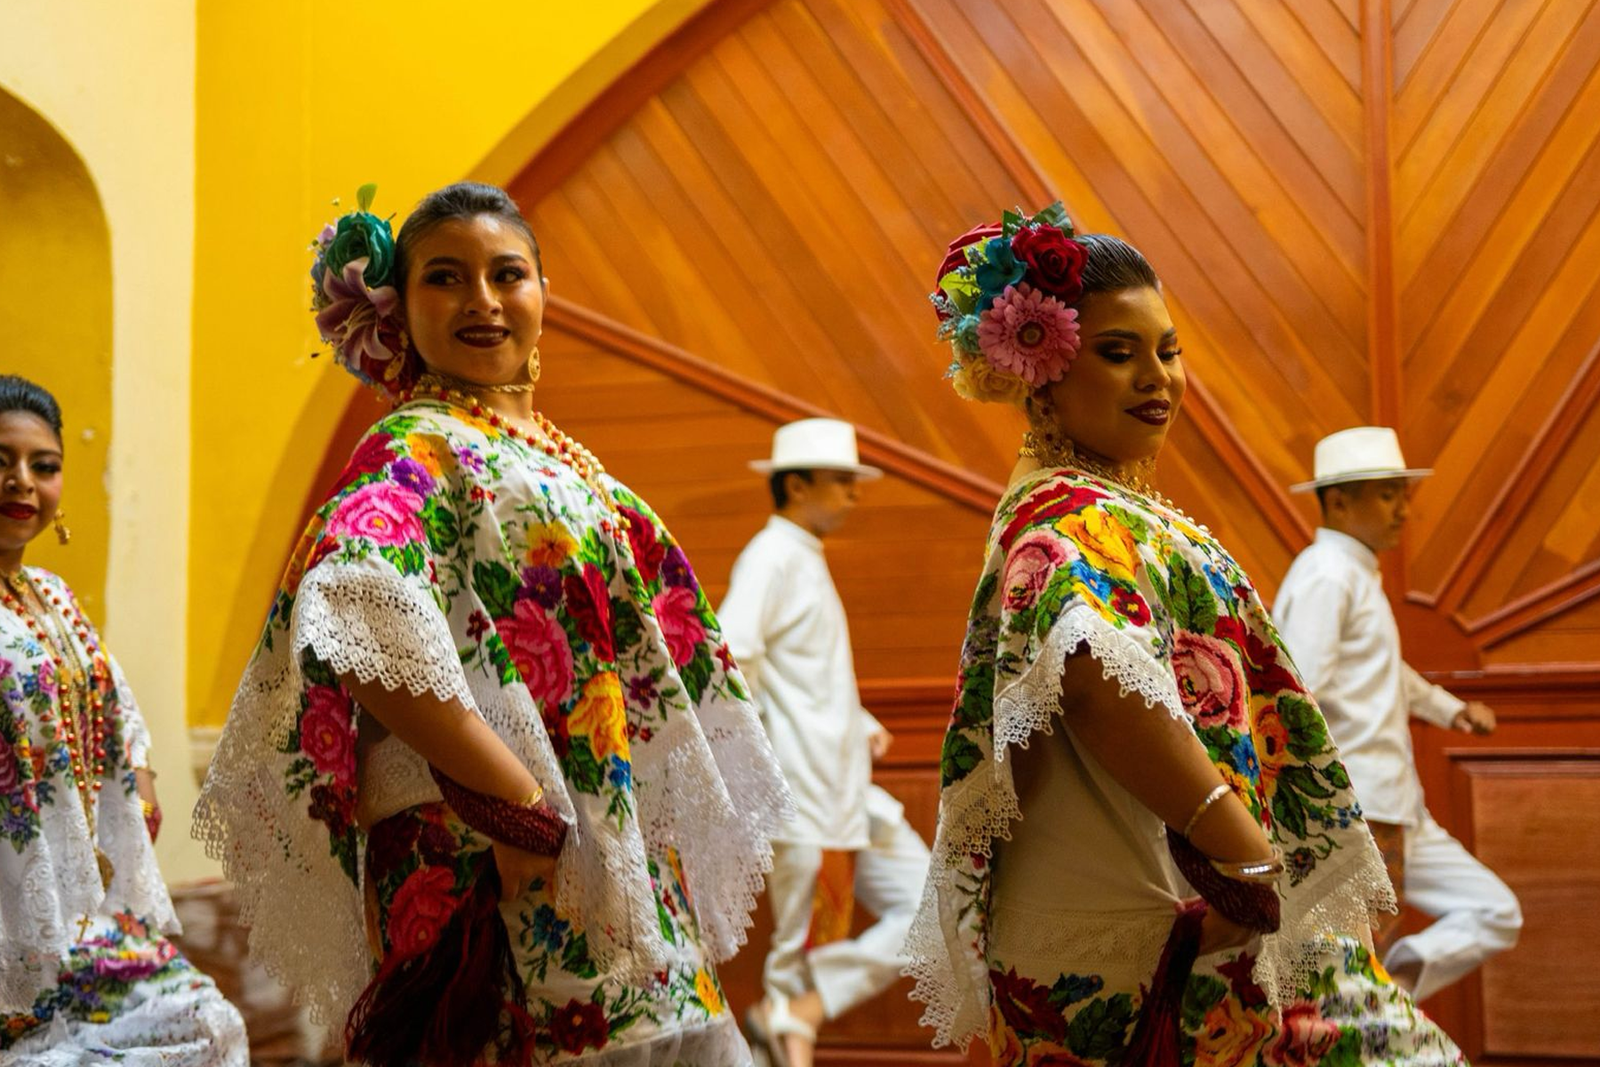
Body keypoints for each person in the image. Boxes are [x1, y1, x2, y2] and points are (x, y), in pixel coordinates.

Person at [195, 182, 791, 1067]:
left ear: (543, 294)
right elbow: (359, 614)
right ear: (398, 309)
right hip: (492, 857)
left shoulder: (542, 450)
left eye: (506, 273)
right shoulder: (417, 444)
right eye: (446, 277)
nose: (481, 299)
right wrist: (514, 803)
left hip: (598, 839)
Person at [904, 206, 1465, 1065]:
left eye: (1168, 350)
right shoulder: (1065, 512)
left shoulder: (1097, 500)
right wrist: (1242, 853)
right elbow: (1090, 672)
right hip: (1151, 922)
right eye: (1118, 353)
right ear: (1041, 366)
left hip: (1176, 904)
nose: (1156, 378)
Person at [0, 375, 248, 1064]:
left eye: (43, 466)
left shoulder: (50, 596)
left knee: (205, 1021)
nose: (22, 482)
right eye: (1, 461)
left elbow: (117, 708)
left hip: (78, 912)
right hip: (7, 912)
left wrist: (137, 785)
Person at [1273, 426, 1521, 1001]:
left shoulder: (1353, 573)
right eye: (1387, 494)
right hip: (1356, 806)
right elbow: (1298, 689)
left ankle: (1387, 998)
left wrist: (1452, 711)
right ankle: (1372, 1010)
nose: (1403, 510)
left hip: (1394, 801)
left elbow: (1385, 671)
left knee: (1492, 911)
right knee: (1348, 959)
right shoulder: (1327, 574)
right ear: (1339, 501)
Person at [718, 419, 930, 1067]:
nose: (853, 493)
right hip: (805, 793)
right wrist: (757, 763)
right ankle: (787, 1022)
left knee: (932, 904)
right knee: (794, 949)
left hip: (842, 791)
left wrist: (857, 721)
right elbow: (732, 654)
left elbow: (805, 674)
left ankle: (792, 1016)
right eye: (841, 480)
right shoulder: (773, 555)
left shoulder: (798, 555)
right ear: (798, 483)